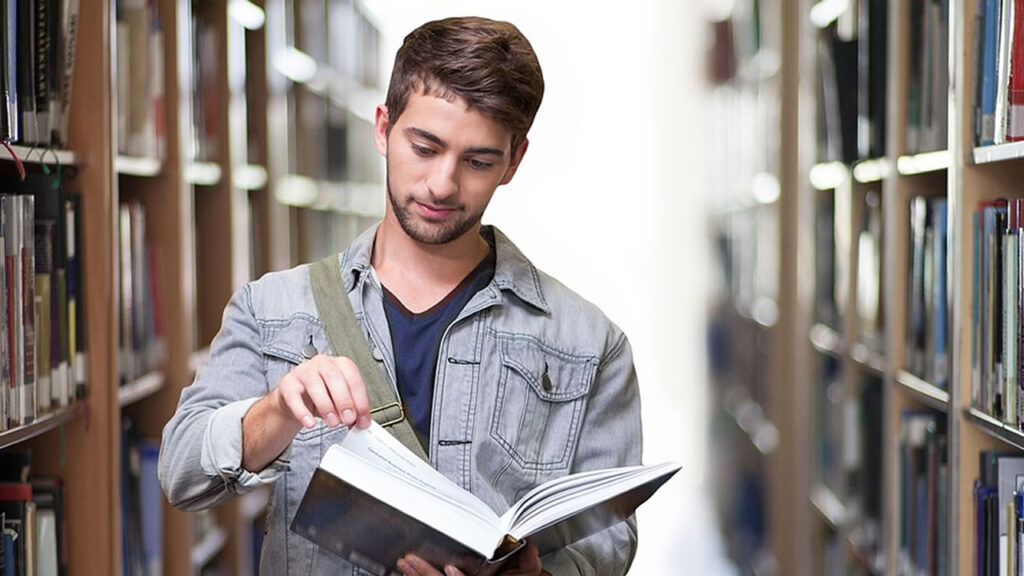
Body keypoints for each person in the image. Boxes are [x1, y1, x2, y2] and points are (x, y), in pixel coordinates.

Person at [159, 16, 642, 576]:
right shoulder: (273, 310)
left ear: (514, 161)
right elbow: (181, 473)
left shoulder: (590, 343)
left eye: (478, 161)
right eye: (425, 146)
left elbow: (610, 539)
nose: (443, 183)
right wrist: (276, 411)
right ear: (384, 127)